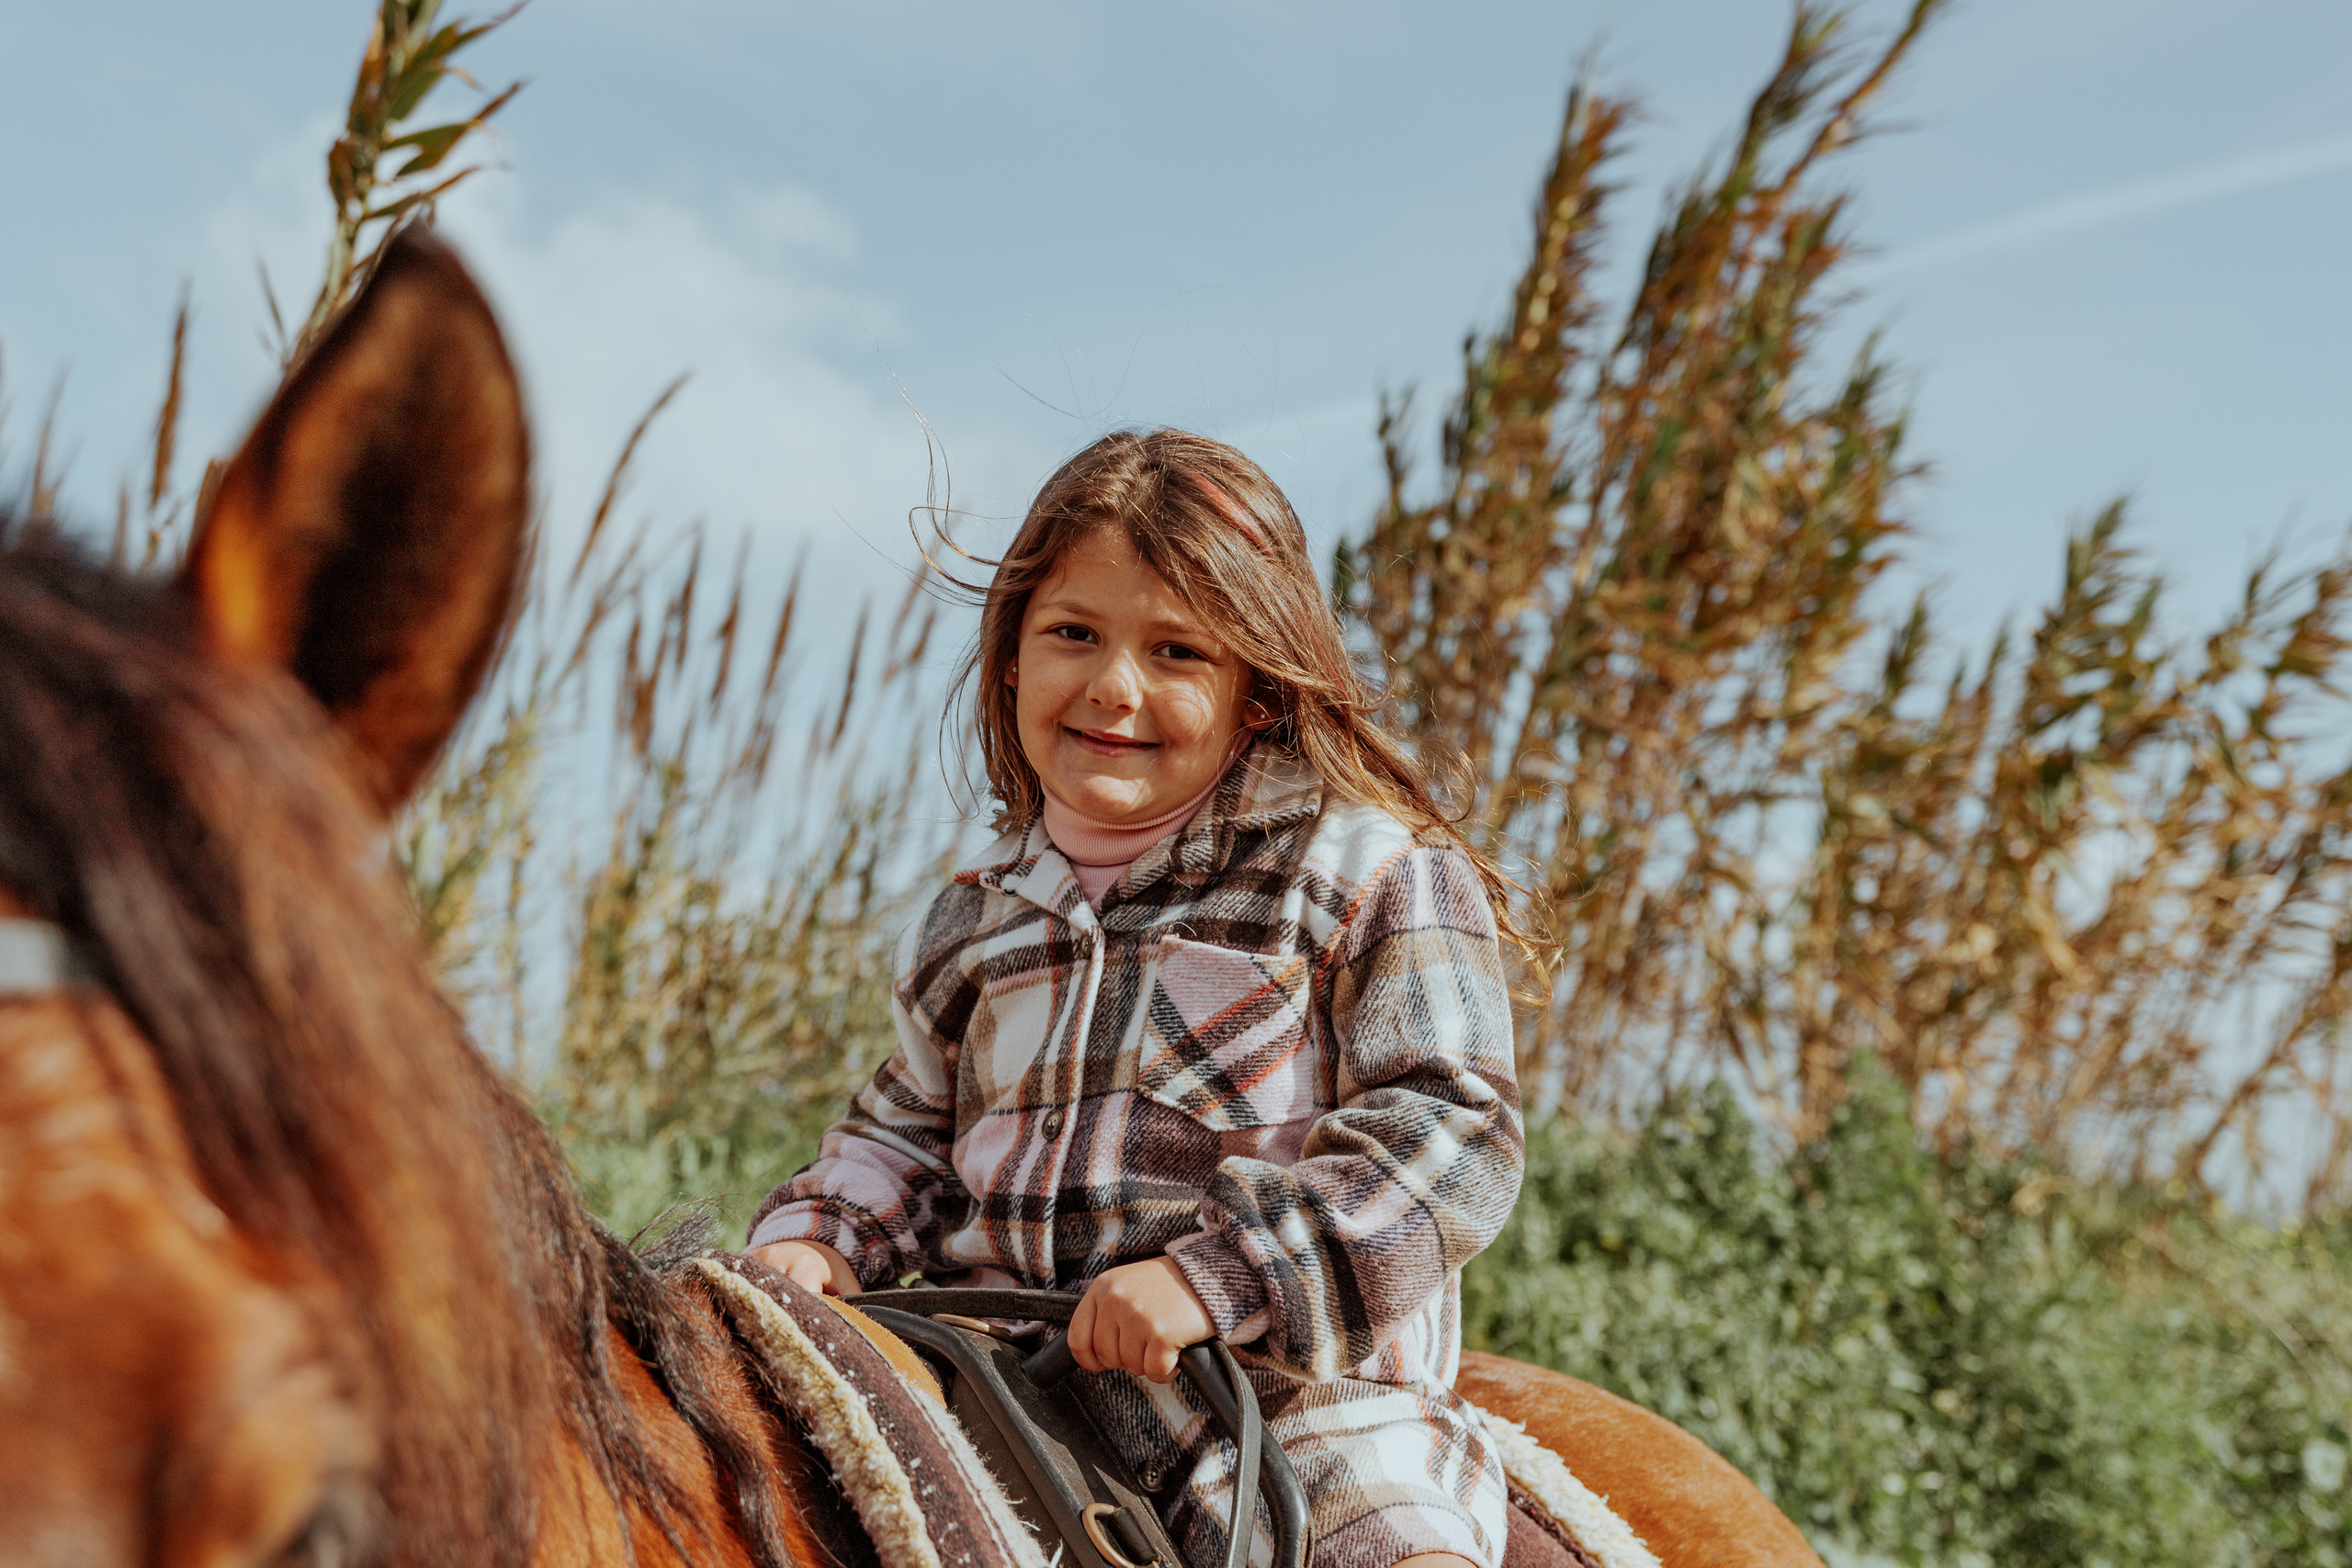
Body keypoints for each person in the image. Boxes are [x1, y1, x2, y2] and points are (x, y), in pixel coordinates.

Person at [748, 429, 1528, 1568]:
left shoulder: (1366, 869)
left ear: (1257, 691)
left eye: (1177, 653)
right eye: (1074, 634)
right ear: (1012, 655)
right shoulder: (971, 922)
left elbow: (1450, 1135)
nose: (1115, 687)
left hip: (1278, 1404)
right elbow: (903, 1138)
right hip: (994, 1378)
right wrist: (816, 1246)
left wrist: (1215, 1280)